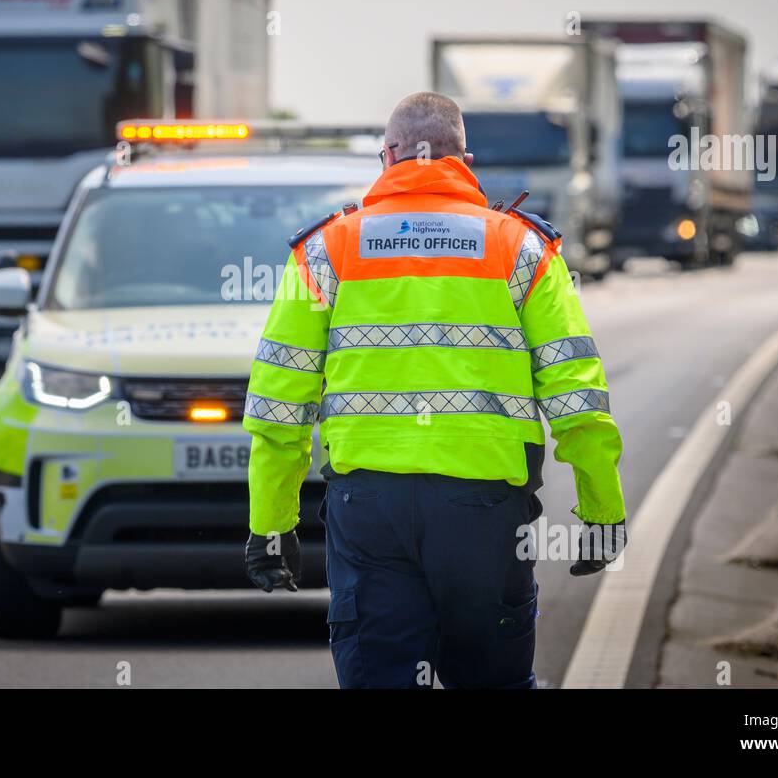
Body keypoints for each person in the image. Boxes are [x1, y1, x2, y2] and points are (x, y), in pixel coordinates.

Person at [241, 92, 627, 689]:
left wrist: (271, 522)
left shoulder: (326, 250)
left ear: (387, 155)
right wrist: (601, 510)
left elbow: (279, 405)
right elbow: (576, 391)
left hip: (369, 509)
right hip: (485, 510)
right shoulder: (521, 247)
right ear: (464, 158)